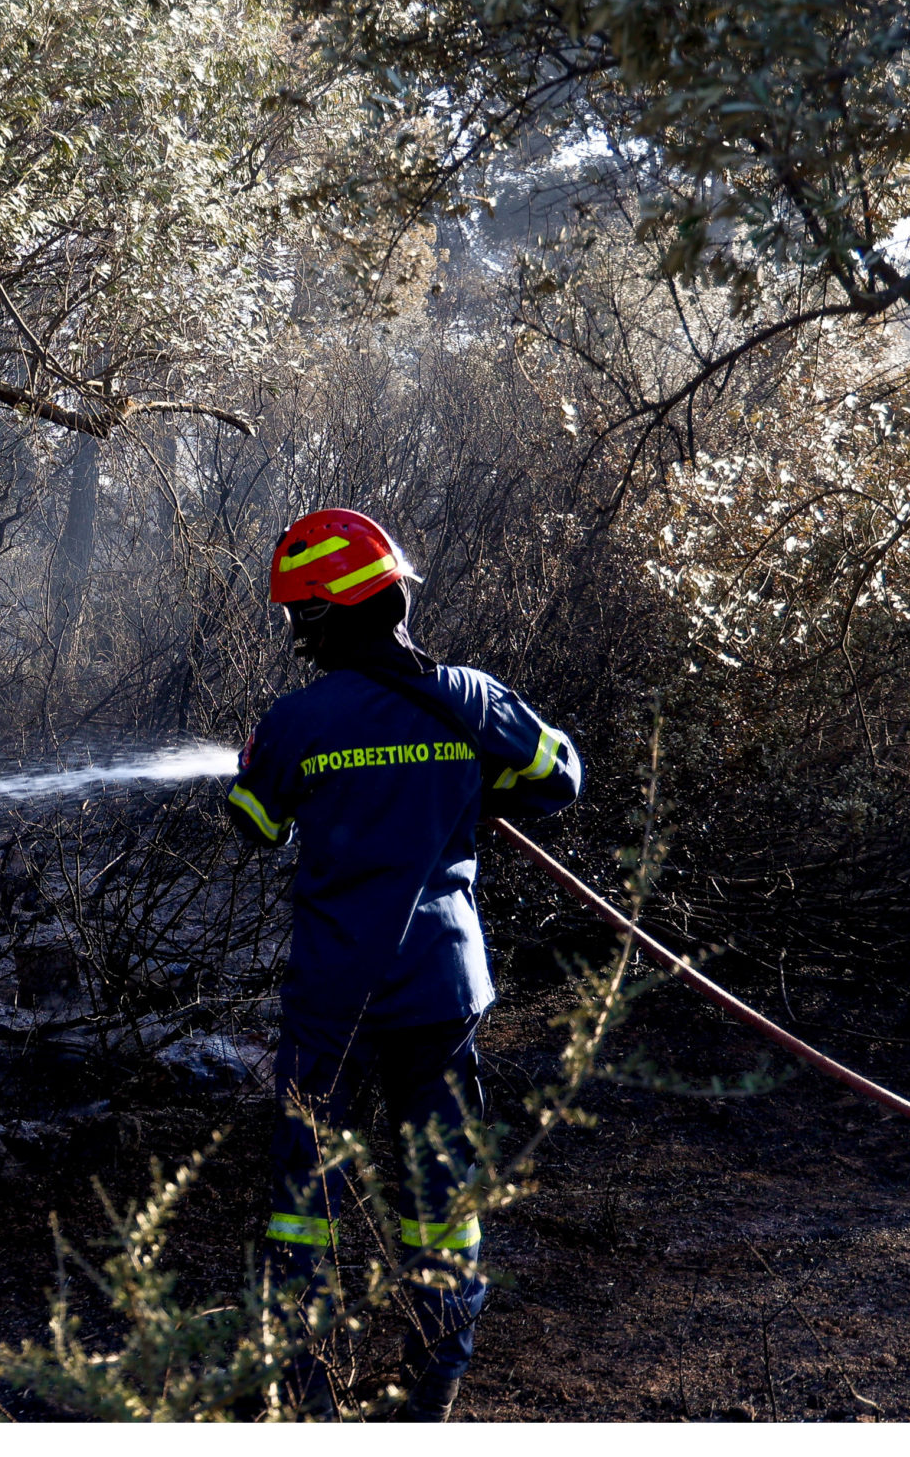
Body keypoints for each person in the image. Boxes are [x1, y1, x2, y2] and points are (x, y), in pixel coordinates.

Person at [224, 508, 582, 1421]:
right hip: (439, 986)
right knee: (441, 1193)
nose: (298, 637)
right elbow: (561, 777)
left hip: (333, 999)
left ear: (332, 611)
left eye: (301, 615)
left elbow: (254, 822)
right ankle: (434, 1386)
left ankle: (305, 1390)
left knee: (307, 1198)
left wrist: (260, 766)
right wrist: (478, 780)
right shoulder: (469, 696)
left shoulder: (299, 719)